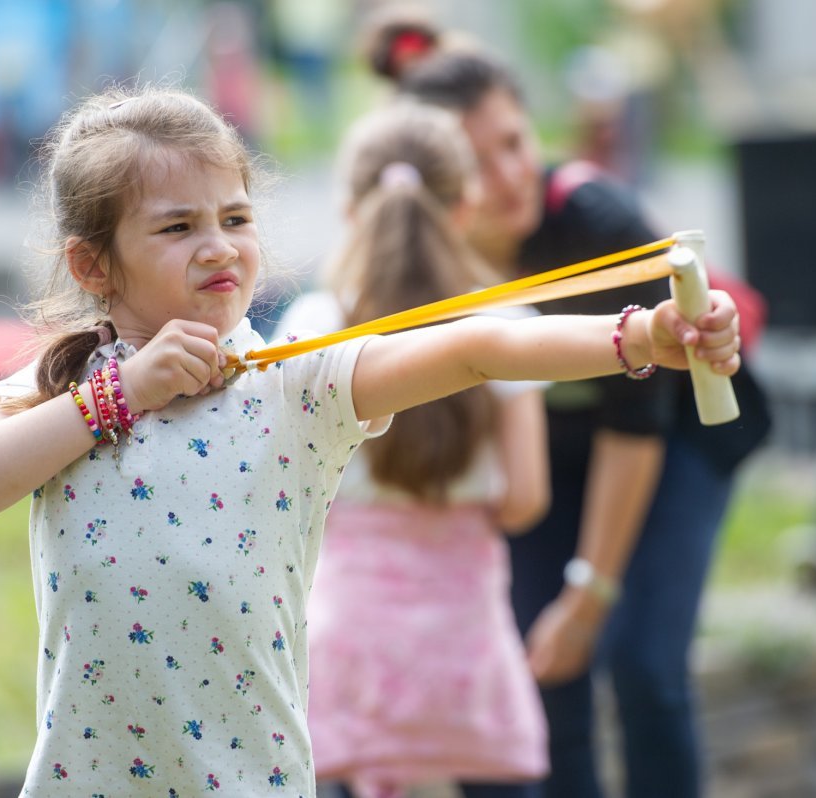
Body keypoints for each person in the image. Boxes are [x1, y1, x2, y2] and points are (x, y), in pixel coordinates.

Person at [0, 84, 742, 797]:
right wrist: (124, 394)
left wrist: (640, 336)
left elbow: (476, 347)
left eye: (235, 217)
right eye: (176, 228)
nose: (219, 244)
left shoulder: (294, 384)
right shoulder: (70, 388)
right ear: (92, 265)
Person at [362, 14, 771, 798]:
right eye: (477, 164)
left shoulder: (597, 225)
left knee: (641, 661)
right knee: (534, 664)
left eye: (515, 143)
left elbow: (635, 426)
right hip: (552, 452)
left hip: (677, 435)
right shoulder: (424, 264)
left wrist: (590, 594)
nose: (511, 176)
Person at [276, 102, 550, 798]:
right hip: (465, 658)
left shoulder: (314, 327)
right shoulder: (508, 327)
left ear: (348, 209)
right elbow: (525, 500)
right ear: (466, 206)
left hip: (348, 655)